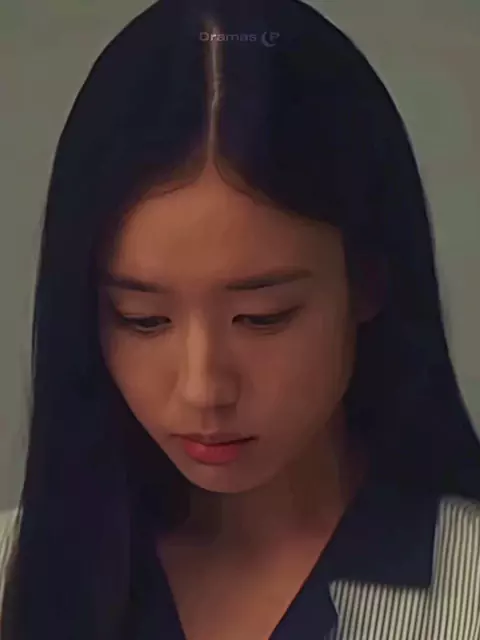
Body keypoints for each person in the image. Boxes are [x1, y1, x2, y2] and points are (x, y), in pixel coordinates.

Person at [2, 0, 480, 638]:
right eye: (143, 319)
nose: (203, 388)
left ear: (369, 280)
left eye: (262, 317)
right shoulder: (14, 574)